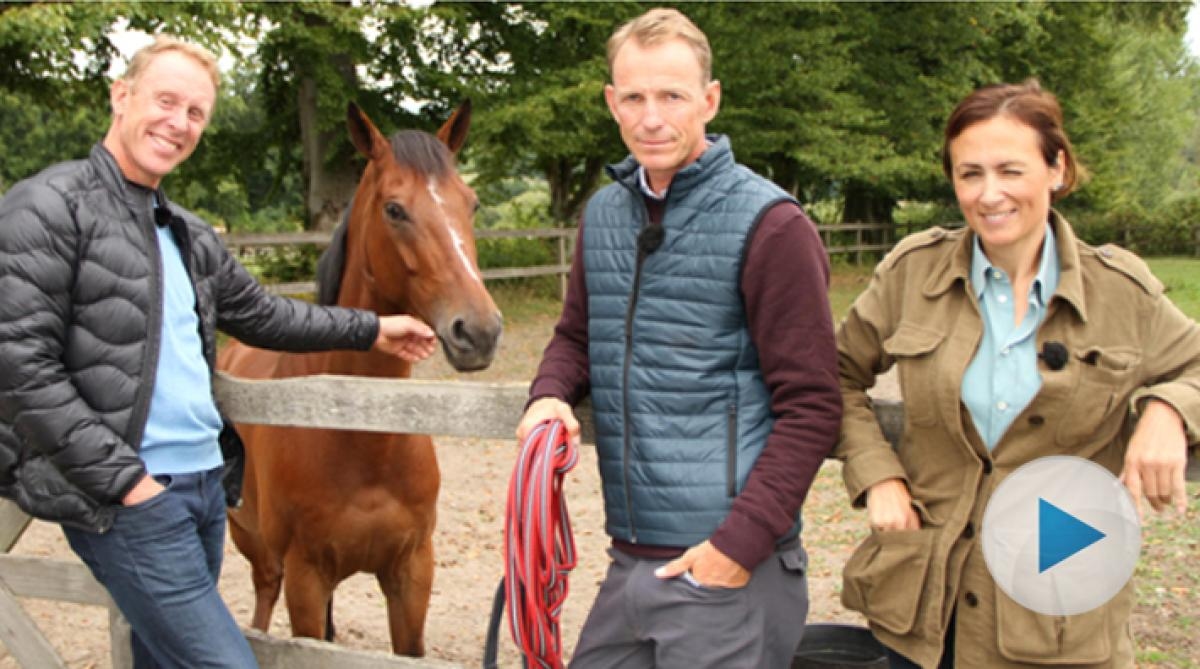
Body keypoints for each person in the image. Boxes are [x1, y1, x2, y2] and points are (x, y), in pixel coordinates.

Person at [0, 36, 437, 668]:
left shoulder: (182, 230)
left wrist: (371, 330)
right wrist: (125, 483)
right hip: (128, 499)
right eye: (166, 101)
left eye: (195, 112)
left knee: (161, 659)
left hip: (204, 488)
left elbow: (263, 315)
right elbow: (18, 366)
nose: (178, 124)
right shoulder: (46, 208)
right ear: (121, 96)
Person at [514, 8, 842, 668]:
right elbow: (576, 334)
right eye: (633, 97)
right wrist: (550, 393)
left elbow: (812, 406)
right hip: (629, 558)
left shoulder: (772, 225)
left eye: (672, 95)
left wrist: (736, 547)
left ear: (710, 99)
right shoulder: (604, 213)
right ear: (612, 102)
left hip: (726, 567)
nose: (651, 117)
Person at [834, 79, 1200, 668]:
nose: (989, 193)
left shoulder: (1120, 292)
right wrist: (877, 475)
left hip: (1057, 616)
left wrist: (1169, 410)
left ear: (1057, 169)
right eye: (969, 173)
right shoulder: (911, 274)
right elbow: (836, 376)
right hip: (924, 613)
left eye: (1011, 170)